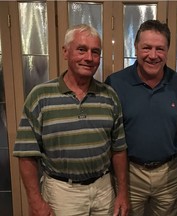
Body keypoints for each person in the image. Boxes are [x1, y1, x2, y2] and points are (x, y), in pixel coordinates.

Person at [13, 24, 129, 216]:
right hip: (62, 193)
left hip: (103, 190)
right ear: (66, 52)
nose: (89, 58)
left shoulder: (109, 96)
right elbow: (26, 154)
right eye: (81, 50)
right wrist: (35, 200)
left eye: (95, 52)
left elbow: (119, 149)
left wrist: (122, 193)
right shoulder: (40, 97)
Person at [105, 20, 177, 216]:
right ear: (135, 48)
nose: (153, 55)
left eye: (160, 48)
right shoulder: (115, 83)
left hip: (169, 174)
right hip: (130, 173)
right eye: (146, 48)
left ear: (167, 50)